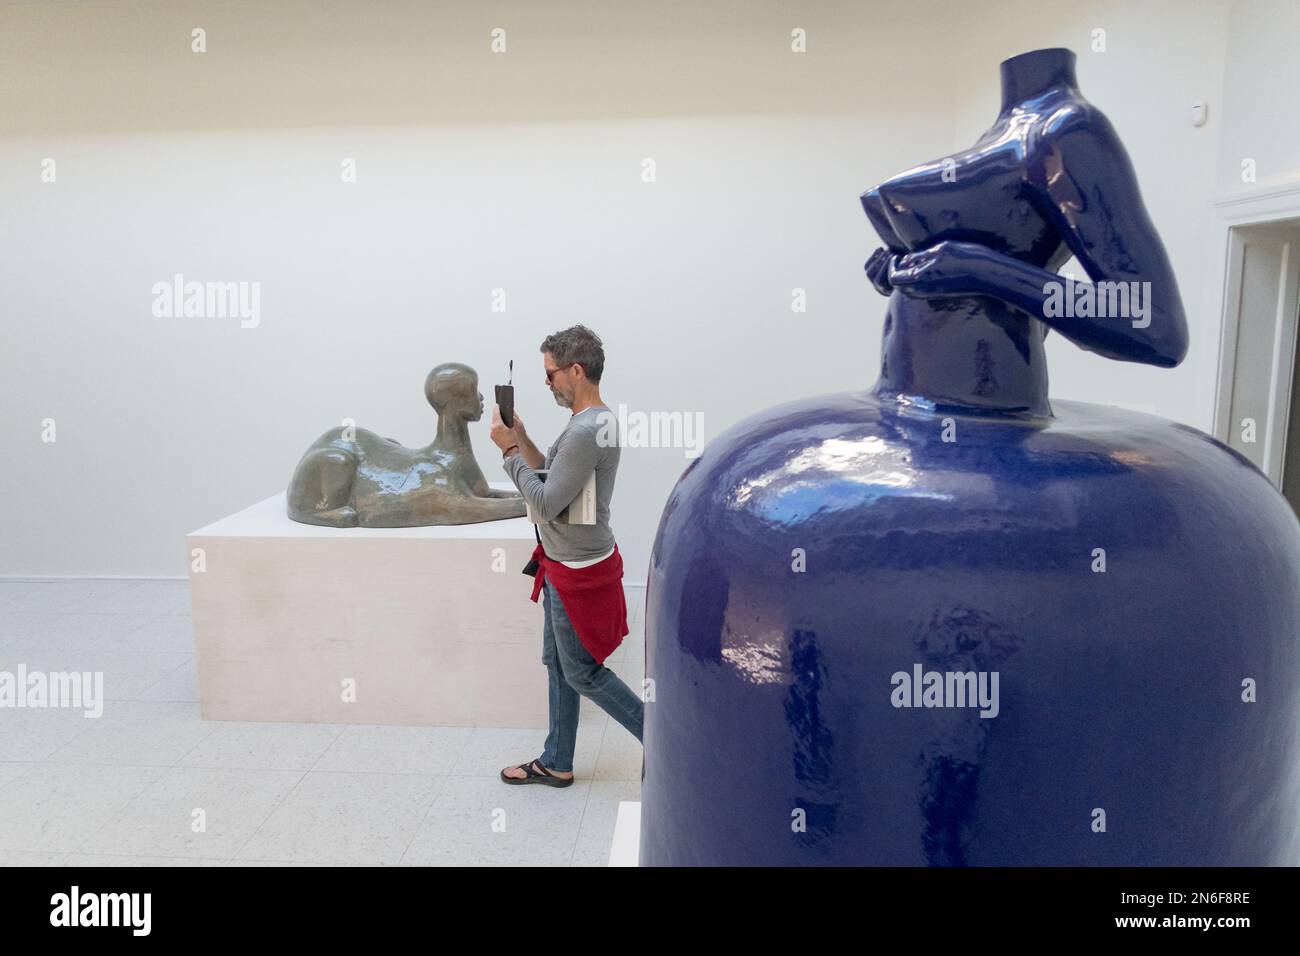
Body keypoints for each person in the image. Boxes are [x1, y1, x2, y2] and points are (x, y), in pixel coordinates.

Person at [489, 325, 644, 787]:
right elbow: (554, 478)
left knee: (583, 671)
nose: (547, 383)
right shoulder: (590, 424)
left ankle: (667, 739)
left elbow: (543, 503)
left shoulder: (586, 430)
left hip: (577, 567)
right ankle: (556, 761)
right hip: (565, 561)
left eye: (551, 373)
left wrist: (508, 451)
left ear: (576, 370)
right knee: (558, 663)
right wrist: (524, 439)